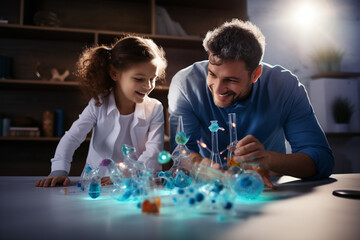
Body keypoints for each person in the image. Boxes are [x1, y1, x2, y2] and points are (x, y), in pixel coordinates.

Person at [168, 19, 334, 187]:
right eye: (212, 74)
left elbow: (321, 160)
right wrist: (196, 165)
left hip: (267, 190)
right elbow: (180, 152)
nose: (218, 89)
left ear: (256, 74)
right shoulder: (185, 85)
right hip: (207, 191)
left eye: (230, 80)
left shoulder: (284, 87)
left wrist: (269, 160)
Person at [35, 35, 167, 187]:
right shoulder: (99, 104)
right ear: (114, 74)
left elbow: (154, 151)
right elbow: (72, 137)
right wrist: (59, 170)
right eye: (139, 79)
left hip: (135, 183)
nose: (149, 85)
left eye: (153, 78)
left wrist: (126, 175)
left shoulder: (155, 108)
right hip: (97, 183)